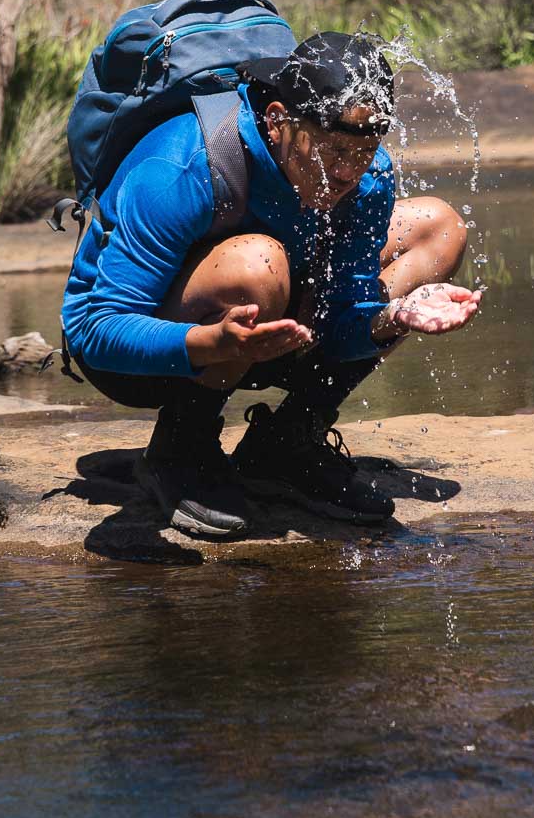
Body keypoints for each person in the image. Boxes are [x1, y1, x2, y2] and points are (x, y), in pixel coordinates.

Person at [60, 30, 482, 538]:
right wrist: (211, 342)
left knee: (438, 227)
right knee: (259, 264)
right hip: (147, 351)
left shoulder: (366, 176)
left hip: (271, 332)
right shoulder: (184, 165)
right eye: (331, 150)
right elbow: (95, 329)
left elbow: (345, 318)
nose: (347, 172)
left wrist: (392, 316)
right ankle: (181, 447)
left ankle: (288, 442)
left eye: (365, 150)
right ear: (278, 120)